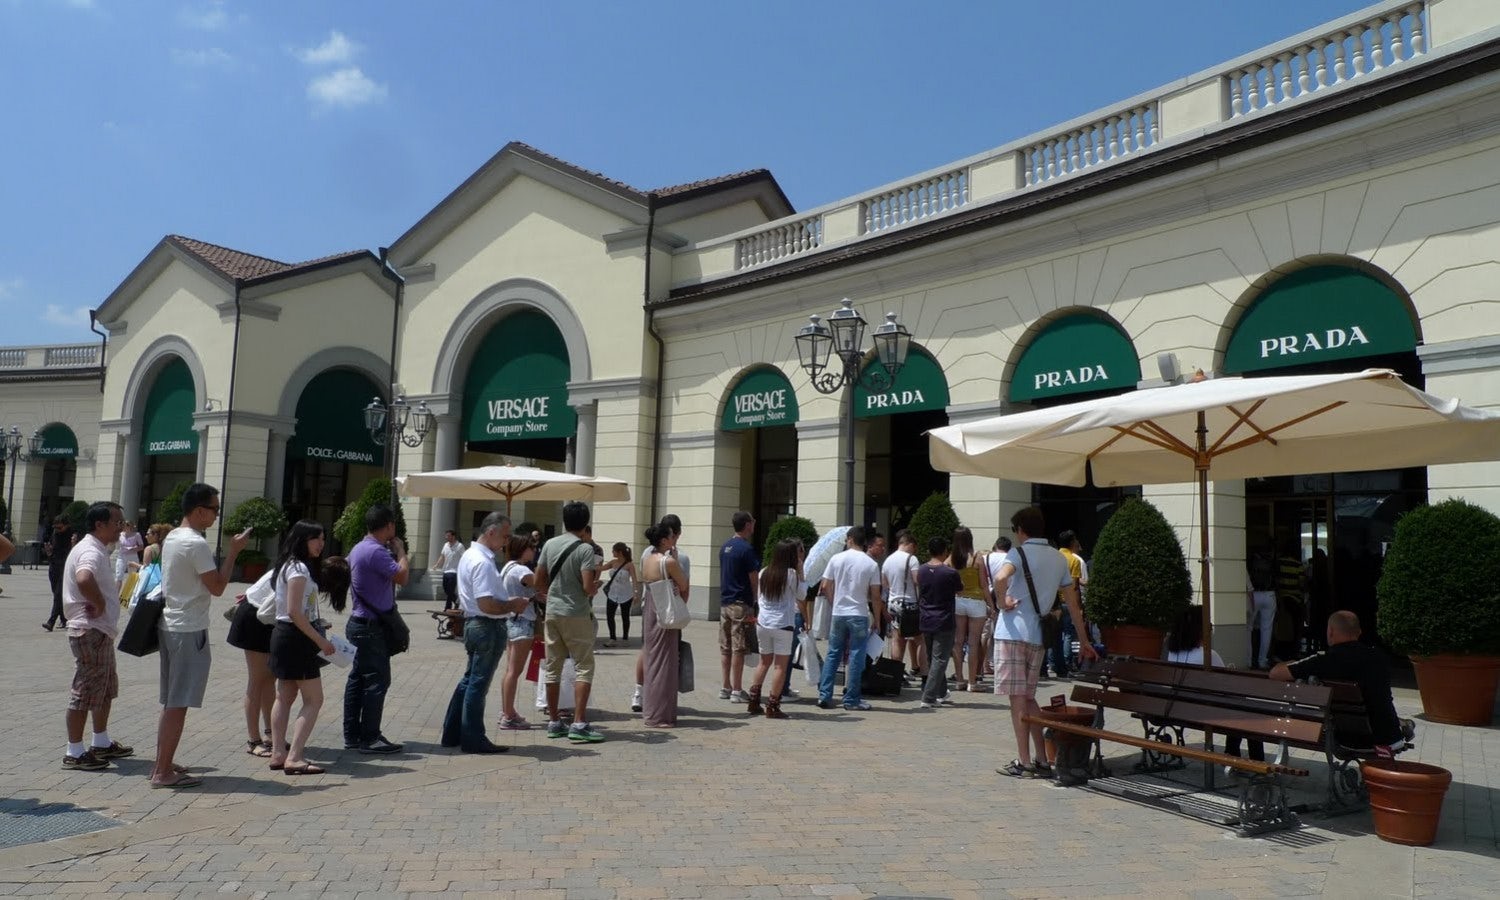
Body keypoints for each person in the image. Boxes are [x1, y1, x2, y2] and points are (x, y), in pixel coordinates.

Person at [151, 483, 250, 788]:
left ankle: (163, 763)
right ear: (198, 511)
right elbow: (219, 587)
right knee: (177, 703)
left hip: (171, 624)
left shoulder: (172, 538)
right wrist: (233, 553)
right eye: (214, 509)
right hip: (188, 628)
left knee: (172, 700)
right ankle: (162, 772)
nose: (216, 515)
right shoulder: (195, 543)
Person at [991, 506, 1097, 778]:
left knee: (1017, 700)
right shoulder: (1058, 558)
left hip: (1013, 632)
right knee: (1028, 697)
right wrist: (1084, 640)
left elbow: (1000, 577)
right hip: (1040, 635)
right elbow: (1073, 604)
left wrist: (1002, 601)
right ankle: (1040, 757)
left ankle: (1024, 761)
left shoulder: (1018, 552)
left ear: (1020, 530)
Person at [441, 512, 530, 754]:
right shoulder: (481, 561)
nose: (506, 541)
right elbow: (486, 604)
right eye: (504, 535)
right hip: (485, 625)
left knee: (469, 680)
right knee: (477, 684)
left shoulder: (471, 555)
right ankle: (473, 738)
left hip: (476, 624)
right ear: (490, 532)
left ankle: (452, 733)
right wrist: (512, 604)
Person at [1271, 610, 1409, 757]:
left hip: (1345, 740)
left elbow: (1275, 673)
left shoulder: (1323, 661)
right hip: (1386, 740)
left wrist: (1294, 663)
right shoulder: (1378, 658)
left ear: (1330, 632)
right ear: (1359, 632)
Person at [61, 502, 133, 771]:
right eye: (117, 522)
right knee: (85, 690)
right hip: (90, 630)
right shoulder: (91, 551)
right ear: (100, 525)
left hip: (98, 631)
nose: (121, 527)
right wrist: (100, 603)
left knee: (104, 688)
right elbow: (83, 578)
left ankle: (100, 742)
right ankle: (74, 751)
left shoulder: (93, 548)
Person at [267, 521, 339, 775]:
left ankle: (278, 752)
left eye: (322, 538)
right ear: (302, 540)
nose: (321, 543)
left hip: (286, 635)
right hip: (296, 637)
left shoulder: (290, 565)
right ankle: (294, 756)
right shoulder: (298, 568)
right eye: (316, 538)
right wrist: (320, 641)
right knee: (314, 699)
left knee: (284, 696)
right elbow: (294, 611)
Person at [534, 501, 605, 743]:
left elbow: (538, 579)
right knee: (583, 666)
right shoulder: (585, 549)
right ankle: (579, 722)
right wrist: (595, 587)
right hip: (576, 613)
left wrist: (549, 595)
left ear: (564, 521)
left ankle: (554, 721)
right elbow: (587, 587)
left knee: (553, 667)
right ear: (585, 524)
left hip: (552, 611)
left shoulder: (550, 544)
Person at [342, 505, 409, 755]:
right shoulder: (377, 552)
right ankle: (370, 737)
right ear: (389, 525)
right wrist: (401, 551)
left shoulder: (359, 548)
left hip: (358, 623)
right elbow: (402, 577)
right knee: (377, 681)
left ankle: (352, 735)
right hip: (371, 627)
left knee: (358, 680)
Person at [816, 526, 884, 711]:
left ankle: (825, 694)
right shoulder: (870, 564)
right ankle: (851, 699)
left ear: (850, 539)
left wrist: (833, 600)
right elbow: (876, 595)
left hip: (839, 612)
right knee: (856, 656)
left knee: (833, 653)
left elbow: (825, 585)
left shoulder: (836, 559)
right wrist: (877, 618)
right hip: (859, 613)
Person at [632, 514, 689, 712]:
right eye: (672, 536)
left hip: (650, 610)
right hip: (666, 611)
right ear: (664, 540)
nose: (675, 539)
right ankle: (662, 709)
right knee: (666, 661)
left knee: (651, 655)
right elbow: (683, 584)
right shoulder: (670, 561)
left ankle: (646, 700)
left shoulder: (647, 558)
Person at [226, 562, 276, 758]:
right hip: (255, 619)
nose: (321, 544)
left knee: (270, 678)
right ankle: (253, 740)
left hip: (267, 619)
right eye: (317, 540)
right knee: (257, 679)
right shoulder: (294, 569)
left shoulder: (296, 568)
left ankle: (271, 733)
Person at [748, 539, 802, 718]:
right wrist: (801, 571)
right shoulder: (791, 574)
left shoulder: (764, 571)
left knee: (763, 662)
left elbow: (759, 597)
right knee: (780, 666)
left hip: (763, 622)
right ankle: (773, 705)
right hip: (783, 624)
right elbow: (802, 594)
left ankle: (754, 700)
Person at [497, 534, 540, 731]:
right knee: (514, 672)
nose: (533, 550)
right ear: (523, 549)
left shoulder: (508, 567)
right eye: (531, 547)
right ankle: (508, 715)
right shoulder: (522, 569)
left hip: (510, 620)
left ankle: (507, 710)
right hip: (522, 621)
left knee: (509, 670)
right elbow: (538, 582)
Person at [916, 536, 962, 709]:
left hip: (926, 618)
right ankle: (928, 697)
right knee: (940, 659)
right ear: (945, 551)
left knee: (933, 658)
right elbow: (960, 588)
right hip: (944, 619)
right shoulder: (950, 572)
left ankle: (941, 692)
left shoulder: (921, 570)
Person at [718, 511, 759, 702]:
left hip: (725, 603)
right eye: (752, 521)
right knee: (738, 648)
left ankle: (725, 686)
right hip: (740, 604)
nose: (754, 524)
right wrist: (755, 602)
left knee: (725, 647)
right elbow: (753, 579)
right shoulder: (746, 549)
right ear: (747, 525)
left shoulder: (725, 546)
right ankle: (737, 690)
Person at [948, 527, 989, 691]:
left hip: (958, 601)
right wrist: (992, 606)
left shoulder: (952, 559)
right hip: (976, 602)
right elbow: (984, 585)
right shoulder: (977, 558)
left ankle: (959, 679)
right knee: (973, 643)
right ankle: (972, 682)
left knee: (958, 642)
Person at [883, 530, 923, 681]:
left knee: (897, 640)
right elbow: (917, 581)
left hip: (893, 602)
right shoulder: (912, 559)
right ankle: (923, 671)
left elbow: (885, 584)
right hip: (910, 603)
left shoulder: (888, 560)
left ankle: (896, 674)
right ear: (910, 545)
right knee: (920, 639)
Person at [1051, 530, 1089, 679]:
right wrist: (1079, 606)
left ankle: (1052, 662)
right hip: (1067, 601)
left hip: (1053, 601)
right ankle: (1067, 663)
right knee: (1067, 633)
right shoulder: (1074, 560)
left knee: (1053, 633)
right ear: (1072, 542)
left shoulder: (1053, 556)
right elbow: (1074, 586)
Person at [44, 514, 77, 632]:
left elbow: (75, 552)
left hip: (66, 566)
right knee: (56, 593)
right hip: (54, 566)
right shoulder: (55, 534)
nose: (57, 530)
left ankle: (50, 621)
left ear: (67, 525)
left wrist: (73, 545)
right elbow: (53, 549)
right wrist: (48, 552)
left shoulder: (73, 535)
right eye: (55, 527)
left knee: (58, 594)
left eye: (60, 527)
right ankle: (64, 619)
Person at [1247, 544, 1277, 669]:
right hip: (1269, 595)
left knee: (1248, 628)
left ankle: (1248, 660)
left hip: (1254, 594)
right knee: (1266, 629)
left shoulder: (1251, 560)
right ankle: (1263, 661)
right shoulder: (1272, 561)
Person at [601, 542, 637, 647]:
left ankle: (625, 638)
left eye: (613, 550)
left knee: (625, 616)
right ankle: (612, 638)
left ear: (619, 552)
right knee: (610, 616)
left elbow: (634, 579)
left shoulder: (629, 564)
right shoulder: (612, 562)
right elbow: (601, 568)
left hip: (626, 594)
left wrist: (635, 592)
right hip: (612, 593)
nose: (612, 552)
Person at [431, 529, 465, 611]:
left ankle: (447, 607)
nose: (446, 537)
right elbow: (442, 556)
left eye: (448, 536)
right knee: (446, 589)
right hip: (446, 571)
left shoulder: (460, 546)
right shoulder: (446, 545)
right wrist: (436, 565)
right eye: (446, 536)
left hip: (455, 572)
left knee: (450, 590)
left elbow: (464, 557)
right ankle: (456, 601)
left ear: (453, 536)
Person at [114, 520, 144, 584]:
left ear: (131, 526)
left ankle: (130, 593)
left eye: (127, 524)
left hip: (132, 556)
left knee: (132, 577)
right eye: (124, 524)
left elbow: (141, 546)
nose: (125, 526)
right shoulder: (119, 534)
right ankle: (116, 593)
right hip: (122, 556)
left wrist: (133, 549)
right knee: (118, 576)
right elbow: (115, 545)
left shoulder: (136, 535)